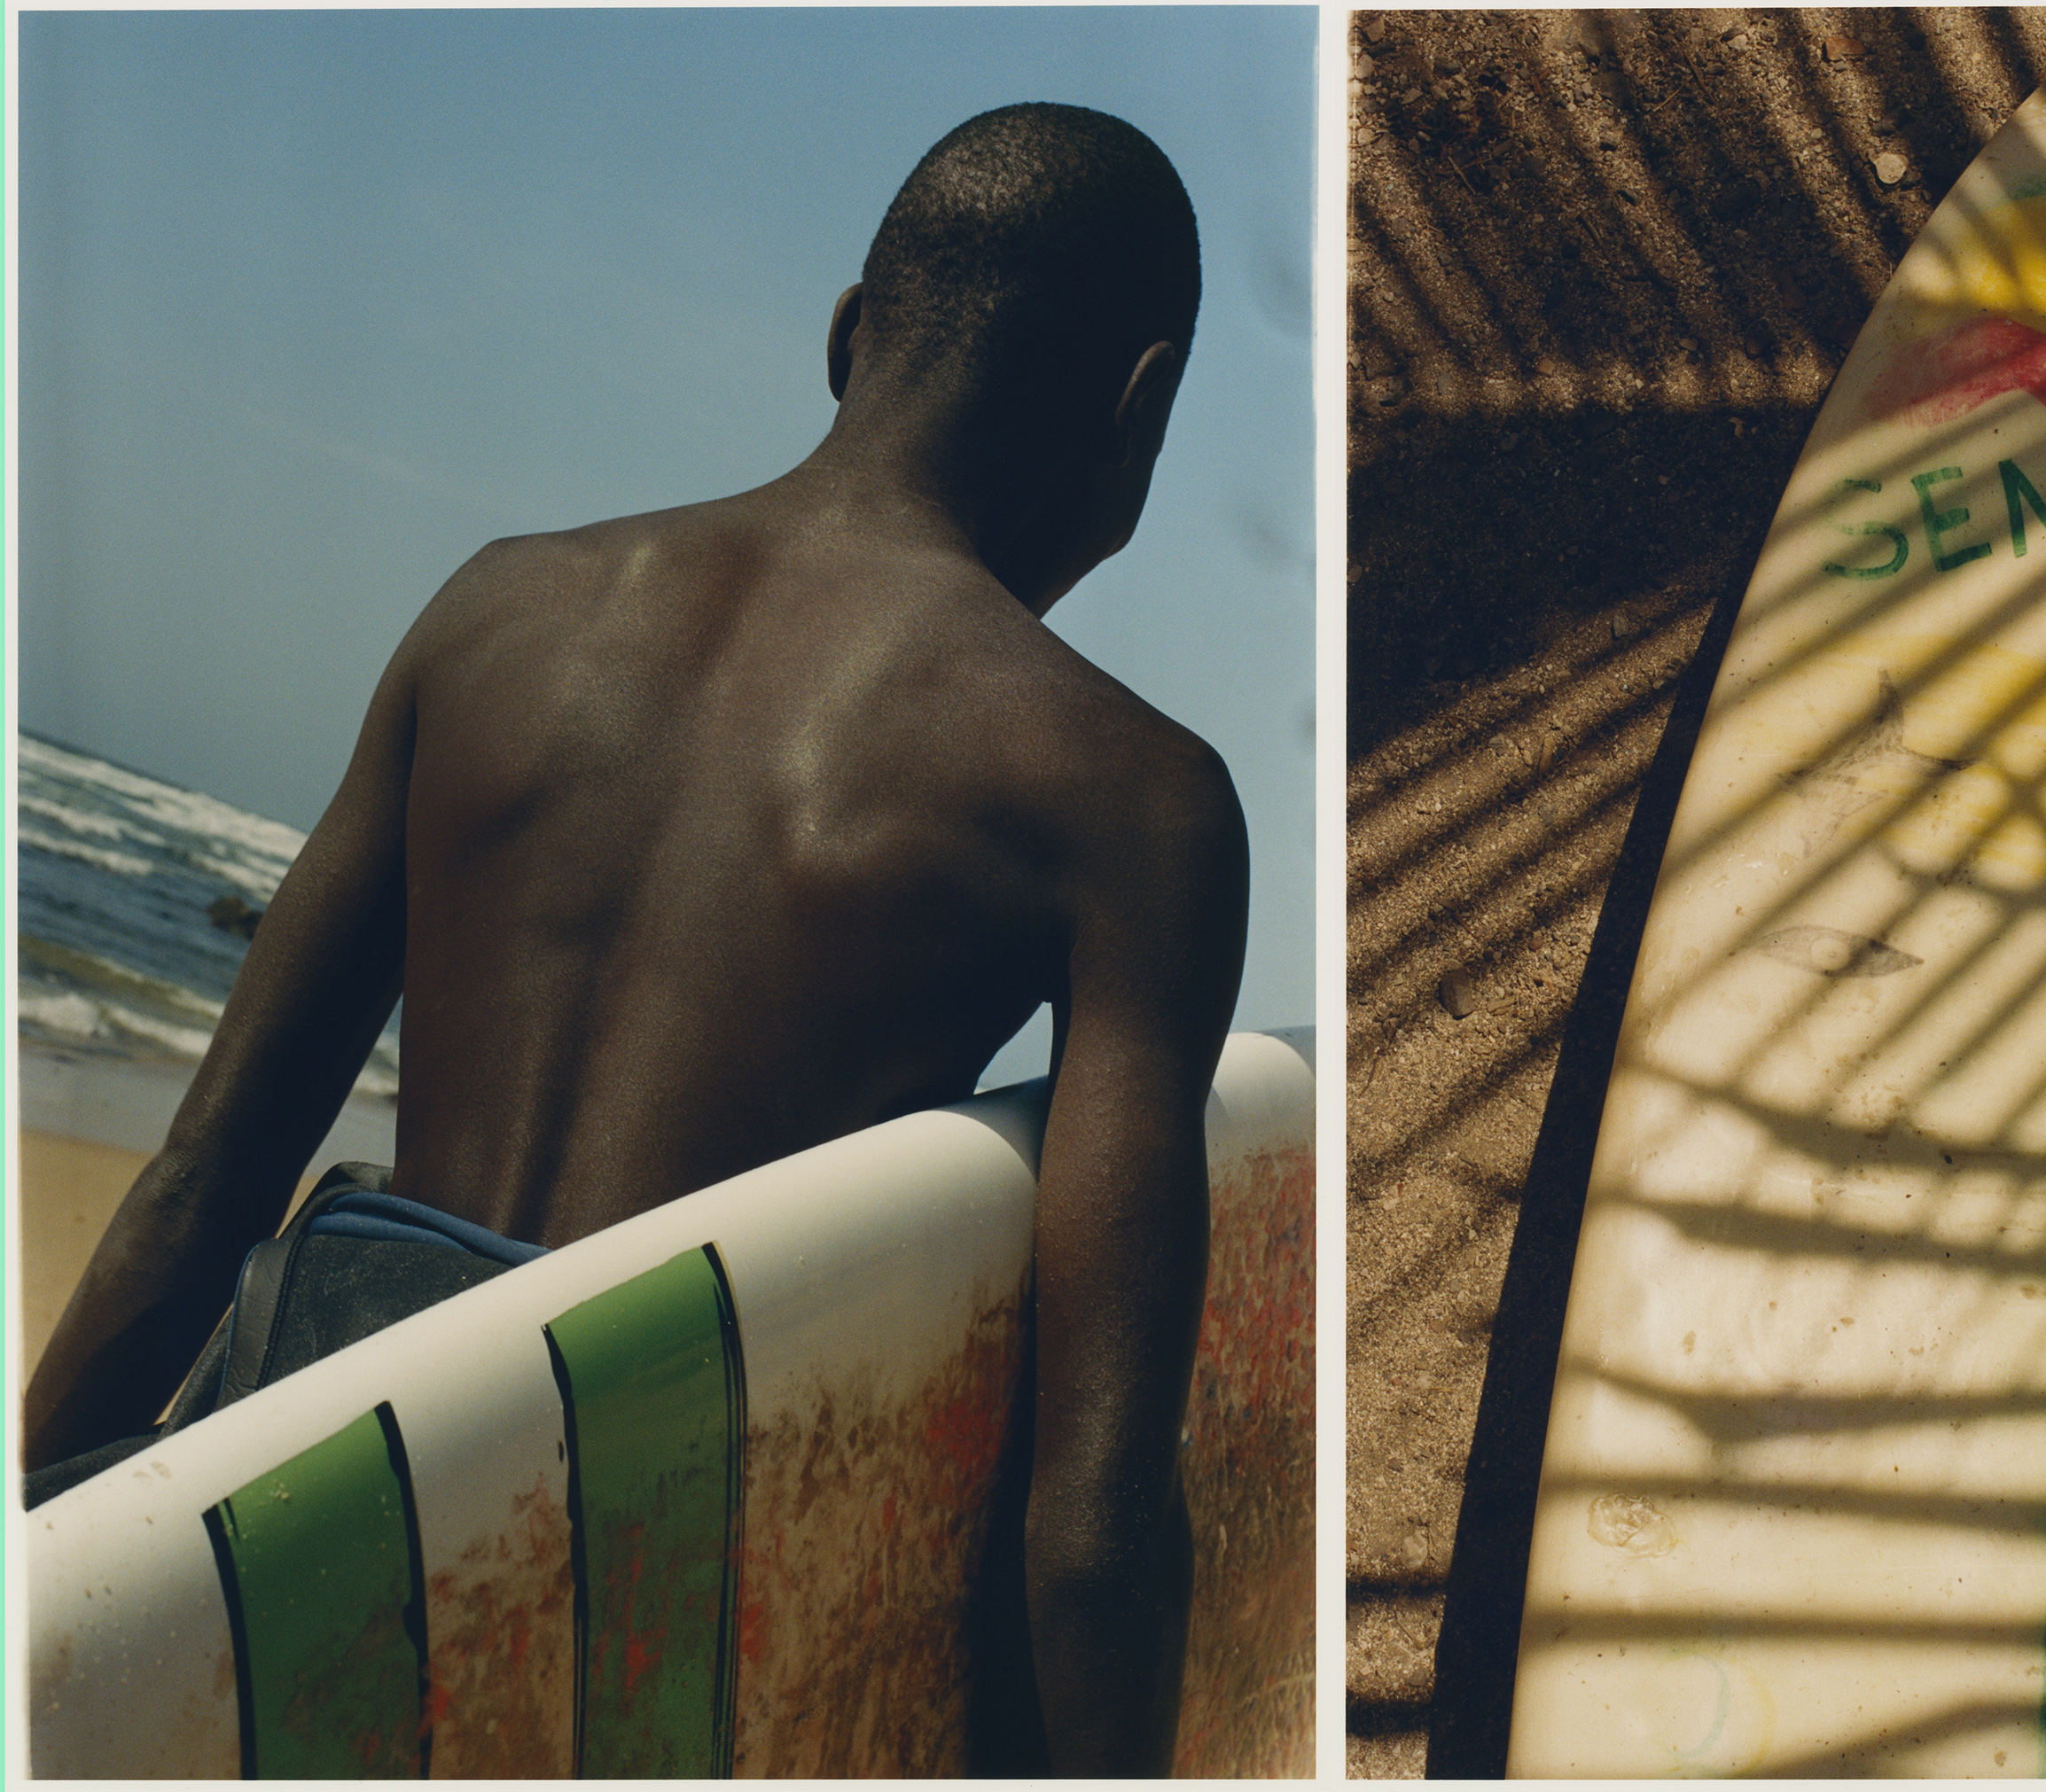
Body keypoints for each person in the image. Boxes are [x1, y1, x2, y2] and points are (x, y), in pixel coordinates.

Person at [20, 102, 1245, 1777]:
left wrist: (50, 1567)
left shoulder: (496, 612)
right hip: (640, 1641)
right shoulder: (1133, 803)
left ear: (842, 337)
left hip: (304, 1530)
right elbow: (1092, 1528)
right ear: (1143, 404)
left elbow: (199, 1187)